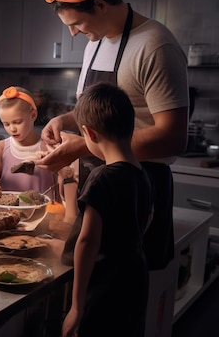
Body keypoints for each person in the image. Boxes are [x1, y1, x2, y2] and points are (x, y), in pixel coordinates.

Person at [39, 0, 189, 335]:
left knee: (119, 301)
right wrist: (65, 121)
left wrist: (87, 148)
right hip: (97, 182)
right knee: (83, 285)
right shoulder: (96, 41)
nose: (73, 33)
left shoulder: (155, 45)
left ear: (102, 4)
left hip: (136, 185)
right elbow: (93, 112)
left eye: (76, 23)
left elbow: (173, 136)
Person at [62, 82, 153, 337]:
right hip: (135, 277)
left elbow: (88, 240)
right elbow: (147, 219)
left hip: (106, 284)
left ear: (88, 134)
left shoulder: (102, 177)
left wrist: (77, 307)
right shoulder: (141, 173)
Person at [0, 86, 53, 193]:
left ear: (33, 115)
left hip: (41, 208)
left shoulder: (46, 147)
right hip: (8, 208)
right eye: (6, 124)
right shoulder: (1, 147)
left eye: (17, 122)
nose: (12, 129)